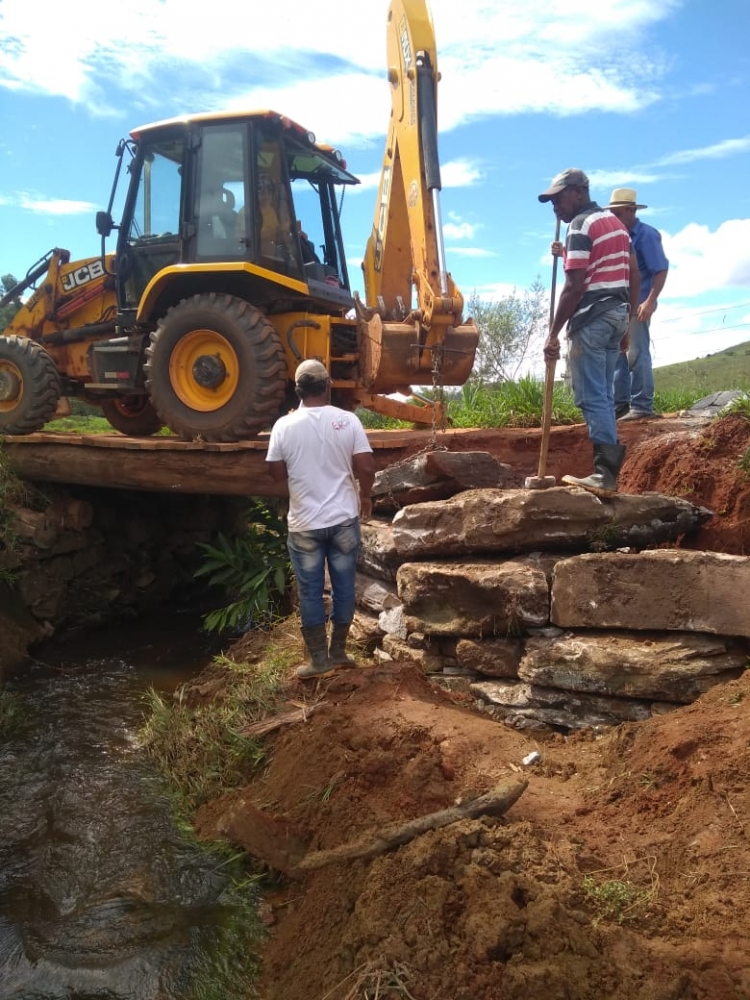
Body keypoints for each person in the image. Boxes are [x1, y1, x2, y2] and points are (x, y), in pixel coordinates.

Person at [266, 360, 376, 679]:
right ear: (327, 386)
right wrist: (365, 496)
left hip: (304, 525)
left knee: (310, 592)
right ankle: (339, 652)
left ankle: (318, 661)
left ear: (297, 390)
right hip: (343, 520)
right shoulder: (348, 421)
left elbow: (274, 472)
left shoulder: (283, 426)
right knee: (344, 587)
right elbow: (367, 468)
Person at [538, 168, 640, 495]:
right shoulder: (616, 226)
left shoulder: (581, 226)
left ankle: (604, 476)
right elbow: (632, 274)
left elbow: (575, 285)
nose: (555, 207)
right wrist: (626, 322)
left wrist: (553, 333)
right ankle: (606, 472)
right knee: (606, 395)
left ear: (579, 192)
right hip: (616, 314)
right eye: (551, 202)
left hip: (592, 319)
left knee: (592, 395)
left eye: (559, 198)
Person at [607, 188, 670, 420]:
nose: (614, 217)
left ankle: (642, 405)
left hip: (639, 303)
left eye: (618, 213)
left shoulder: (646, 235)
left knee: (637, 352)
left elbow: (660, 268)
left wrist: (650, 300)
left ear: (631, 210)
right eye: (612, 213)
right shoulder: (617, 237)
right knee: (617, 355)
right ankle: (620, 405)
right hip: (619, 305)